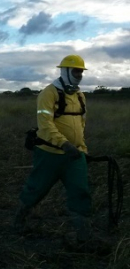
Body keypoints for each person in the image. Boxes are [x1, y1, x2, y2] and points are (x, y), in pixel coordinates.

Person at [14, 54, 92, 244]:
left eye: (81, 71)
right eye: (76, 71)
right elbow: (45, 126)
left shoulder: (80, 96)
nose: (79, 75)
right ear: (65, 71)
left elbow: (81, 125)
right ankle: (19, 222)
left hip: (75, 156)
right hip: (49, 155)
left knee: (80, 192)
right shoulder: (48, 93)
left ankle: (82, 237)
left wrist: (82, 148)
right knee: (36, 189)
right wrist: (64, 144)